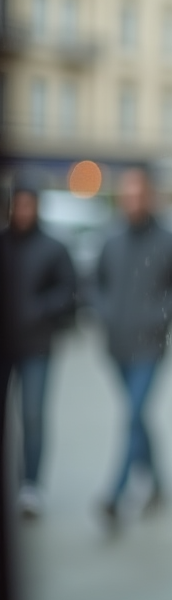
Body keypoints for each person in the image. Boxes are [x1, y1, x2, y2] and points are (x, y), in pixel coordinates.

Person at [92, 167, 172, 528]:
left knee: (134, 416)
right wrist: (104, 312)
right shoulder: (111, 239)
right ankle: (159, 485)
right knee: (139, 419)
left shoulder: (170, 241)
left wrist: (160, 314)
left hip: (151, 346)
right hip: (117, 346)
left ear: (150, 196)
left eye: (138, 193)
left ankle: (114, 494)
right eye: (126, 194)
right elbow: (94, 284)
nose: (132, 200)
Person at [0, 182, 77, 519]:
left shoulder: (53, 248)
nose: (23, 212)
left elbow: (69, 292)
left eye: (29, 205)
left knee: (32, 414)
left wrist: (41, 308)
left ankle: (30, 485)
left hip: (37, 346)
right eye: (18, 205)